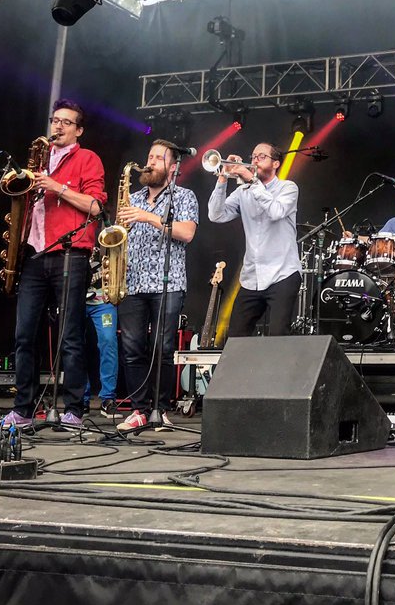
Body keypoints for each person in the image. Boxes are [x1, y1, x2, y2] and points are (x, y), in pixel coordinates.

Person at [1, 100, 107, 431]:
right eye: (54, 120)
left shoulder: (88, 159)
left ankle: (74, 409)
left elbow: (95, 206)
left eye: (65, 122)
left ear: (79, 130)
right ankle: (23, 410)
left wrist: (57, 186)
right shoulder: (40, 160)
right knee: (24, 335)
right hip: (33, 253)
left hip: (70, 254)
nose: (57, 126)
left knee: (70, 335)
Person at [116, 140, 198, 433]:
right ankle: (139, 409)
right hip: (132, 282)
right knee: (132, 347)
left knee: (162, 348)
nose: (150, 162)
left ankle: (159, 409)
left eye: (158, 158)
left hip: (169, 283)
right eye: (149, 156)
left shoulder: (184, 196)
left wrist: (148, 217)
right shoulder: (132, 198)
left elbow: (187, 233)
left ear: (173, 167)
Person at [208, 142, 301, 338]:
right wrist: (223, 178)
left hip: (282, 273)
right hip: (252, 277)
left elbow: (276, 211)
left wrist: (252, 181)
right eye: (253, 157)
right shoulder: (243, 192)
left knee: (278, 337)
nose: (255, 160)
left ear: (276, 164)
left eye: (261, 156)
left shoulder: (288, 188)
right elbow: (216, 215)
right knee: (235, 338)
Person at [83, 248, 120, 417]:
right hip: (77, 300)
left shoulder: (108, 231)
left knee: (108, 343)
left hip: (104, 301)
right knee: (74, 346)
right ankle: (80, 399)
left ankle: (107, 399)